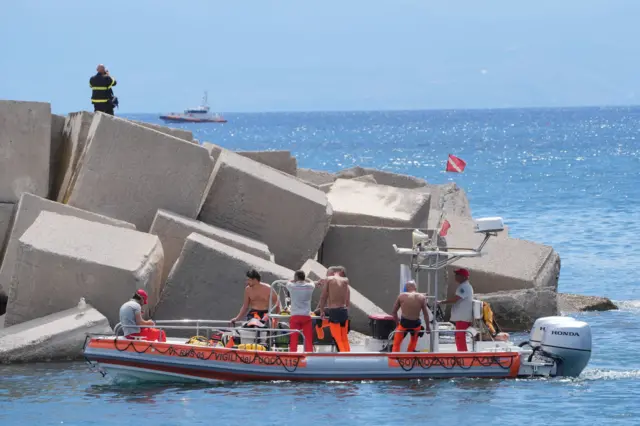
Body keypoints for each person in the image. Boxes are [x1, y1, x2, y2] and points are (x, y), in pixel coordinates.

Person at [390, 280, 431, 352]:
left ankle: (395, 358)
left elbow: (394, 312)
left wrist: (397, 324)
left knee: (396, 343)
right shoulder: (421, 297)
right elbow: (426, 315)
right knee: (413, 341)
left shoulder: (401, 296)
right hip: (415, 324)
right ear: (415, 287)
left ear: (407, 287)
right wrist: (427, 327)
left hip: (404, 323)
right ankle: (409, 356)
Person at [439, 268, 474, 351]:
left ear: (464, 277)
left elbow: (456, 299)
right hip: (462, 316)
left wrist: (441, 302)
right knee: (459, 336)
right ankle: (462, 352)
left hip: (462, 317)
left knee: (459, 336)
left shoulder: (464, 287)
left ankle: (462, 354)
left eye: (457, 275)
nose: (455, 276)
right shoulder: (464, 286)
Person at [318, 266, 351, 352]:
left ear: (332, 273)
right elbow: (347, 300)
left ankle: (344, 357)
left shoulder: (329, 280)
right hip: (344, 311)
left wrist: (321, 311)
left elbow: (323, 297)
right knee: (344, 337)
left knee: (337, 338)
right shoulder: (345, 282)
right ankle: (349, 355)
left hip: (334, 312)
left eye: (327, 274)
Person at [286, 270, 315, 352]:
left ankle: (293, 355)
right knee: (308, 338)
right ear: (304, 278)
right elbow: (312, 282)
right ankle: (309, 356)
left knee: (293, 338)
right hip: (306, 316)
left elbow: (288, 282)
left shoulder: (292, 286)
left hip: (295, 316)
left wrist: (293, 280)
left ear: (296, 278)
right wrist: (308, 279)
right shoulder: (310, 287)